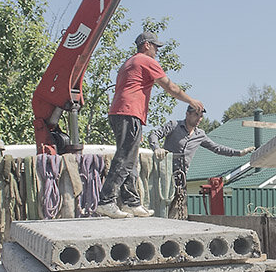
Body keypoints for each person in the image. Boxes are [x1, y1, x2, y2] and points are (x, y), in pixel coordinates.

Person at [96, 31, 203, 219]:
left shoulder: (128, 63)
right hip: (129, 112)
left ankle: (131, 202)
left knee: (131, 157)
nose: (157, 51)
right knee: (125, 158)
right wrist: (191, 101)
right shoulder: (145, 61)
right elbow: (170, 87)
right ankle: (106, 201)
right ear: (146, 45)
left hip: (120, 112)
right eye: (155, 47)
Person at [148, 105, 253, 218]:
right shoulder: (174, 125)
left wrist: (239, 153)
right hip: (163, 177)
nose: (199, 119)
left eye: (201, 116)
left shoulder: (200, 135)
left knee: (178, 214)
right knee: (161, 210)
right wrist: (157, 148)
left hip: (180, 180)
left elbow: (217, 148)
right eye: (196, 115)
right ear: (187, 114)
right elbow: (154, 135)